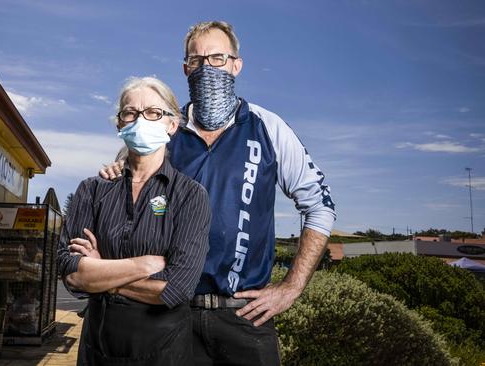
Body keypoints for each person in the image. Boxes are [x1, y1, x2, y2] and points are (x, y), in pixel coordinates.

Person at [100, 21, 336, 365]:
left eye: (218, 58)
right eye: (197, 61)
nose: (207, 68)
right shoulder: (163, 129)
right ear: (185, 68)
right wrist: (113, 176)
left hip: (244, 317)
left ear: (236, 65)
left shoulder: (267, 126)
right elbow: (123, 200)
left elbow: (320, 204)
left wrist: (291, 287)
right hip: (165, 312)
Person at [58, 76, 211, 365]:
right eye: (130, 112)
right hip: (98, 348)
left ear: (172, 124)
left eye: (154, 113)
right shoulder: (91, 190)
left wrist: (101, 274)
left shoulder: (190, 196)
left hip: (163, 350)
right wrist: (142, 265)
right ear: (120, 124)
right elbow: (71, 274)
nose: (141, 120)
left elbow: (176, 288)